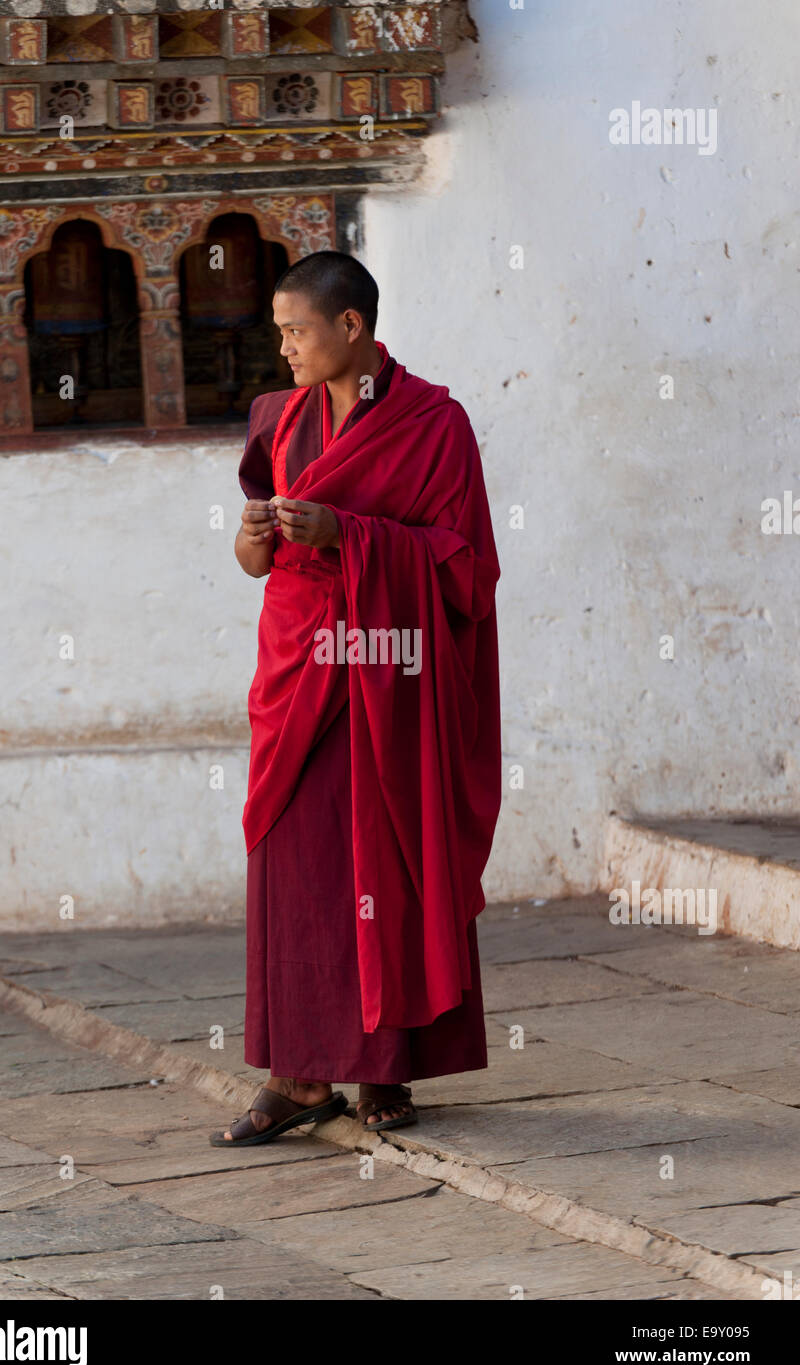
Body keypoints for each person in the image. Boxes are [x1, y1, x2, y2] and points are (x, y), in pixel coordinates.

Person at [210, 250, 502, 1146]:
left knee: (389, 856)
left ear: (350, 328)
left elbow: (464, 565)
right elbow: (258, 563)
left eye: (297, 331)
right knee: (300, 872)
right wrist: (254, 539)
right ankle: (298, 1073)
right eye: (279, 332)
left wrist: (352, 534)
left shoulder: (433, 424)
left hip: (389, 671)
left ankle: (387, 1065)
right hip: (299, 671)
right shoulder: (278, 420)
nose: (286, 348)